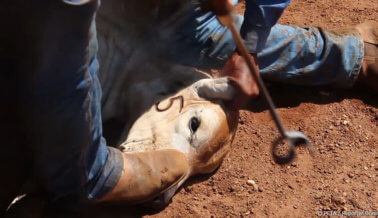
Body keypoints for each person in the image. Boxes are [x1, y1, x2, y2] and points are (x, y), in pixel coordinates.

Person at [0, 0, 376, 215]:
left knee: (206, 32)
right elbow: (64, 62)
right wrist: (92, 172)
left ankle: (357, 57)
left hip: (159, 13)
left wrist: (252, 45)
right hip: (70, 19)